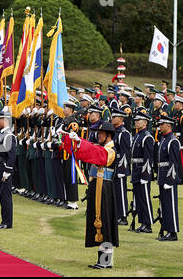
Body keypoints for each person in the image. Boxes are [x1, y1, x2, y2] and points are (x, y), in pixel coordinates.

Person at [62, 122, 118, 269]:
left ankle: (106, 261)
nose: (98, 135)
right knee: (98, 221)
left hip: (104, 189)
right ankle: (102, 260)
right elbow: (84, 153)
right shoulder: (101, 147)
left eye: (101, 133)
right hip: (97, 188)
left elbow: (98, 155)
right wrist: (72, 140)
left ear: (108, 135)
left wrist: (80, 141)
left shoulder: (111, 150)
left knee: (105, 222)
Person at [156, 115, 181, 241]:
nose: (160, 126)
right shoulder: (164, 139)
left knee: (170, 205)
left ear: (169, 125)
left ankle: (172, 232)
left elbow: (174, 162)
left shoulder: (173, 140)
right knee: (165, 205)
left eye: (162, 124)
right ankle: (167, 230)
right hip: (162, 175)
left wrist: (170, 179)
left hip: (168, 177)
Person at [0, 109, 16, 229]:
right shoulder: (2, 134)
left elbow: (11, 155)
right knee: (2, 197)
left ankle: (7, 222)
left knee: (5, 197)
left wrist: (8, 171)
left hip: (4, 169)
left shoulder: (9, 136)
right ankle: (4, 220)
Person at [130, 111, 154, 233]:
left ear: (144, 123)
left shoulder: (147, 137)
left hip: (142, 171)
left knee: (144, 198)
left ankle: (148, 223)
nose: (135, 122)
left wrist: (146, 175)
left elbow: (148, 158)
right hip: (136, 169)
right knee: (138, 198)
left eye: (138, 120)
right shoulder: (138, 135)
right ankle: (142, 222)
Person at [111, 108, 132, 225]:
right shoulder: (114, 132)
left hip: (120, 166)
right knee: (114, 192)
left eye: (115, 117)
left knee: (121, 192)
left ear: (121, 119)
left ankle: (123, 216)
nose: (112, 119)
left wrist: (122, 169)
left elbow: (125, 153)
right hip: (113, 165)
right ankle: (116, 214)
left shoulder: (124, 133)